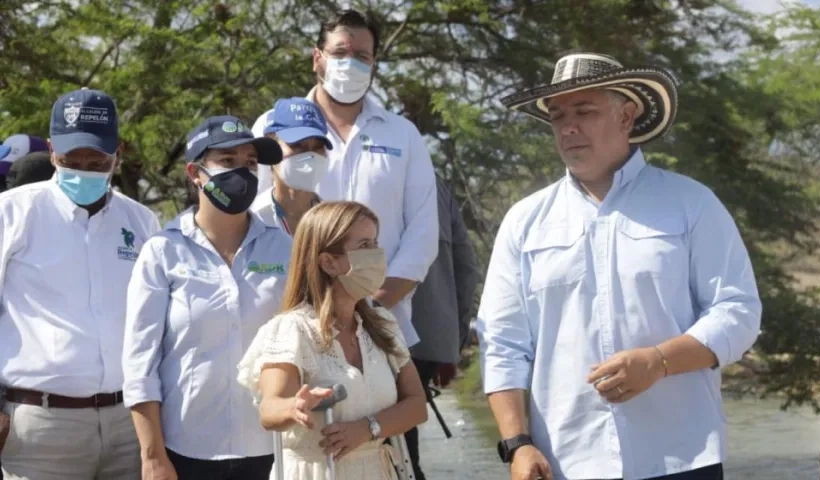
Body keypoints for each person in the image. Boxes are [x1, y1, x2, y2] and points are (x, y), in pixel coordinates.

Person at [477, 52, 762, 480]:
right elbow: (502, 341)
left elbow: (738, 311)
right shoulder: (524, 221)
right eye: (558, 116)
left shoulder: (692, 204)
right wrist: (517, 444)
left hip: (681, 457)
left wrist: (659, 361)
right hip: (564, 462)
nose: (568, 127)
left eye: (584, 111)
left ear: (627, 116)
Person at [252, 9, 439, 347]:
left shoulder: (403, 135)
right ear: (317, 59)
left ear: (374, 63)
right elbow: (255, 220)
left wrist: (368, 308)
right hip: (289, 324)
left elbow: (422, 237)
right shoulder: (271, 125)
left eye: (361, 56)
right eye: (339, 53)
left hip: (382, 327)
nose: (350, 63)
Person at [0, 88, 160, 480]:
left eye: (97, 160)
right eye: (71, 160)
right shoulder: (12, 213)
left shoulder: (142, 223)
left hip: (129, 426)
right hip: (40, 429)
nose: (84, 169)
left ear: (118, 153)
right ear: (51, 150)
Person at [121, 116, 288, 480]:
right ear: (195, 173)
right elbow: (139, 364)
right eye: (227, 161)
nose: (243, 172)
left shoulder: (284, 248)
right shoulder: (163, 251)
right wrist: (152, 456)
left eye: (250, 163)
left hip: (270, 449)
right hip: (185, 451)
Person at [237, 200, 428, 480]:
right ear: (328, 262)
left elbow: (416, 404)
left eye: (375, 243)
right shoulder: (291, 330)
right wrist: (294, 407)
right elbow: (269, 409)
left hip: (375, 470)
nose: (376, 255)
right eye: (364, 245)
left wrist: (368, 428)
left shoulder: (382, 324)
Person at [404, 176, 479, 480]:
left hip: (347, 337)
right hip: (423, 343)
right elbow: (466, 268)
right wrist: (450, 347)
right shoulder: (434, 184)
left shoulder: (331, 163)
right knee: (404, 453)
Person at [250, 97, 330, 235]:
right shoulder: (254, 220)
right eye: (297, 145)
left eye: (318, 147)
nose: (310, 156)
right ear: (271, 149)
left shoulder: (334, 222)